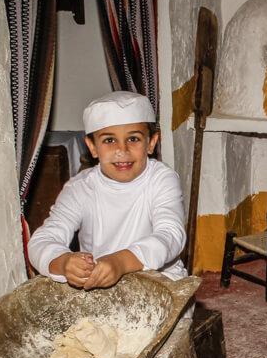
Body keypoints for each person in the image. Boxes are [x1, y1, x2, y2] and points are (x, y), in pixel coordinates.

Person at [28, 91, 188, 286]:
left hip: (161, 281)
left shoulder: (161, 179)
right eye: (109, 140)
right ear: (93, 147)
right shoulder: (80, 188)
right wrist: (64, 263)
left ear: (151, 143)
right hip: (99, 286)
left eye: (133, 139)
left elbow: (171, 235)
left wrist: (120, 262)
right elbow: (42, 240)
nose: (122, 150)